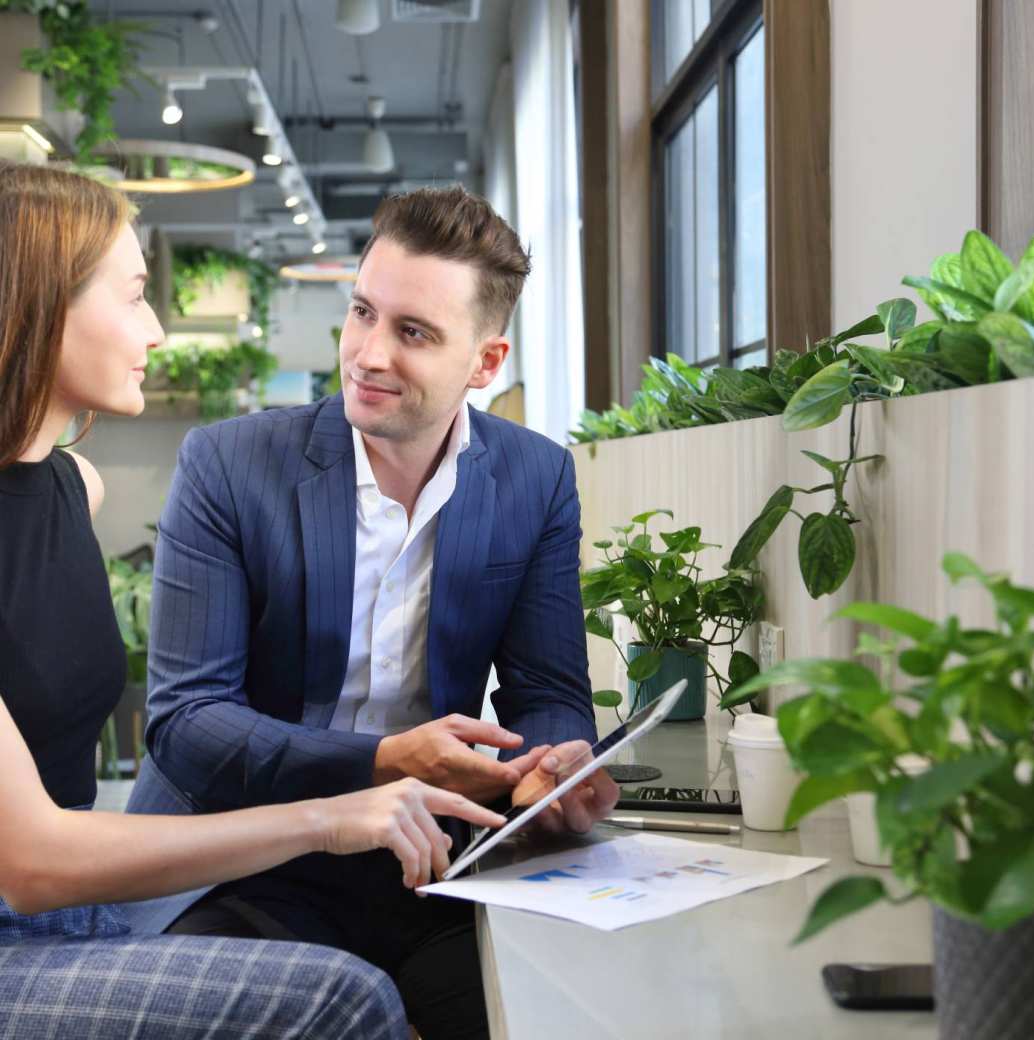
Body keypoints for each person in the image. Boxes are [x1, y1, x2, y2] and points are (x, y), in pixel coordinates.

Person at [0, 161, 508, 1040]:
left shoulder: (72, 487)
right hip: (23, 928)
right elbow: (34, 862)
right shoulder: (223, 468)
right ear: (39, 305)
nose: (157, 329)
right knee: (339, 997)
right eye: (131, 297)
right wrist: (328, 818)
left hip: (79, 920)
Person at [126, 185, 620, 1039]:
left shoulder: (535, 478)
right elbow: (186, 724)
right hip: (244, 854)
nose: (368, 354)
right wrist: (386, 760)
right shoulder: (230, 466)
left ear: (485, 362)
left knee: (552, 1011)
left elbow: (548, 688)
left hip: (427, 861)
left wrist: (550, 766)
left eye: (413, 332)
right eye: (363, 313)